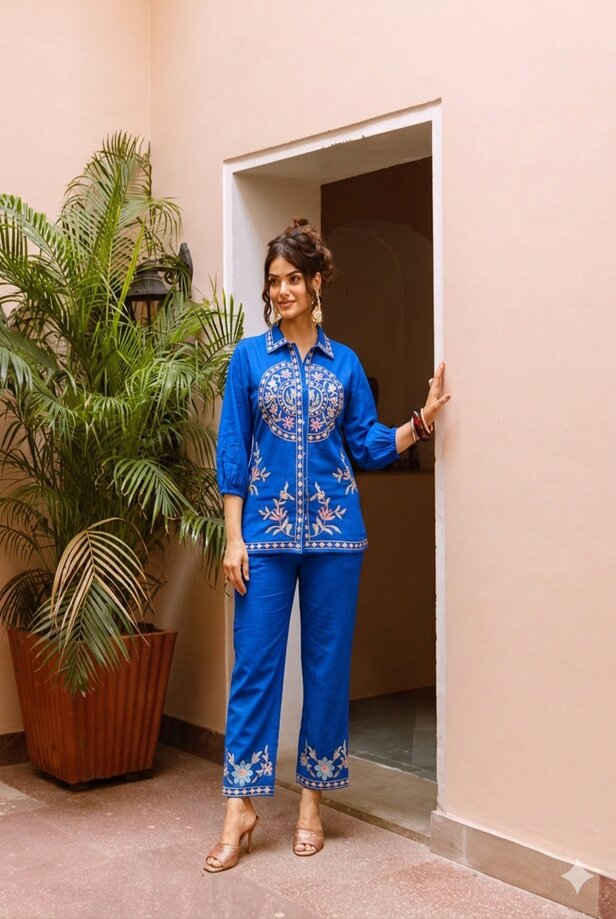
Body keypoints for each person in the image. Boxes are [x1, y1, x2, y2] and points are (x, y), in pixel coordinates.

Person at [203, 218, 451, 872]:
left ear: (316, 283)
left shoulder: (346, 365)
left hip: (338, 539)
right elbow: (233, 451)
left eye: (292, 279)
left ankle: (312, 800)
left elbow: (366, 444)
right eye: (273, 281)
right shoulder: (249, 359)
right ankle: (241, 804)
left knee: (325, 669)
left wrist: (421, 421)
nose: (281, 291)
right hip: (263, 537)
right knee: (253, 666)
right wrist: (233, 537)